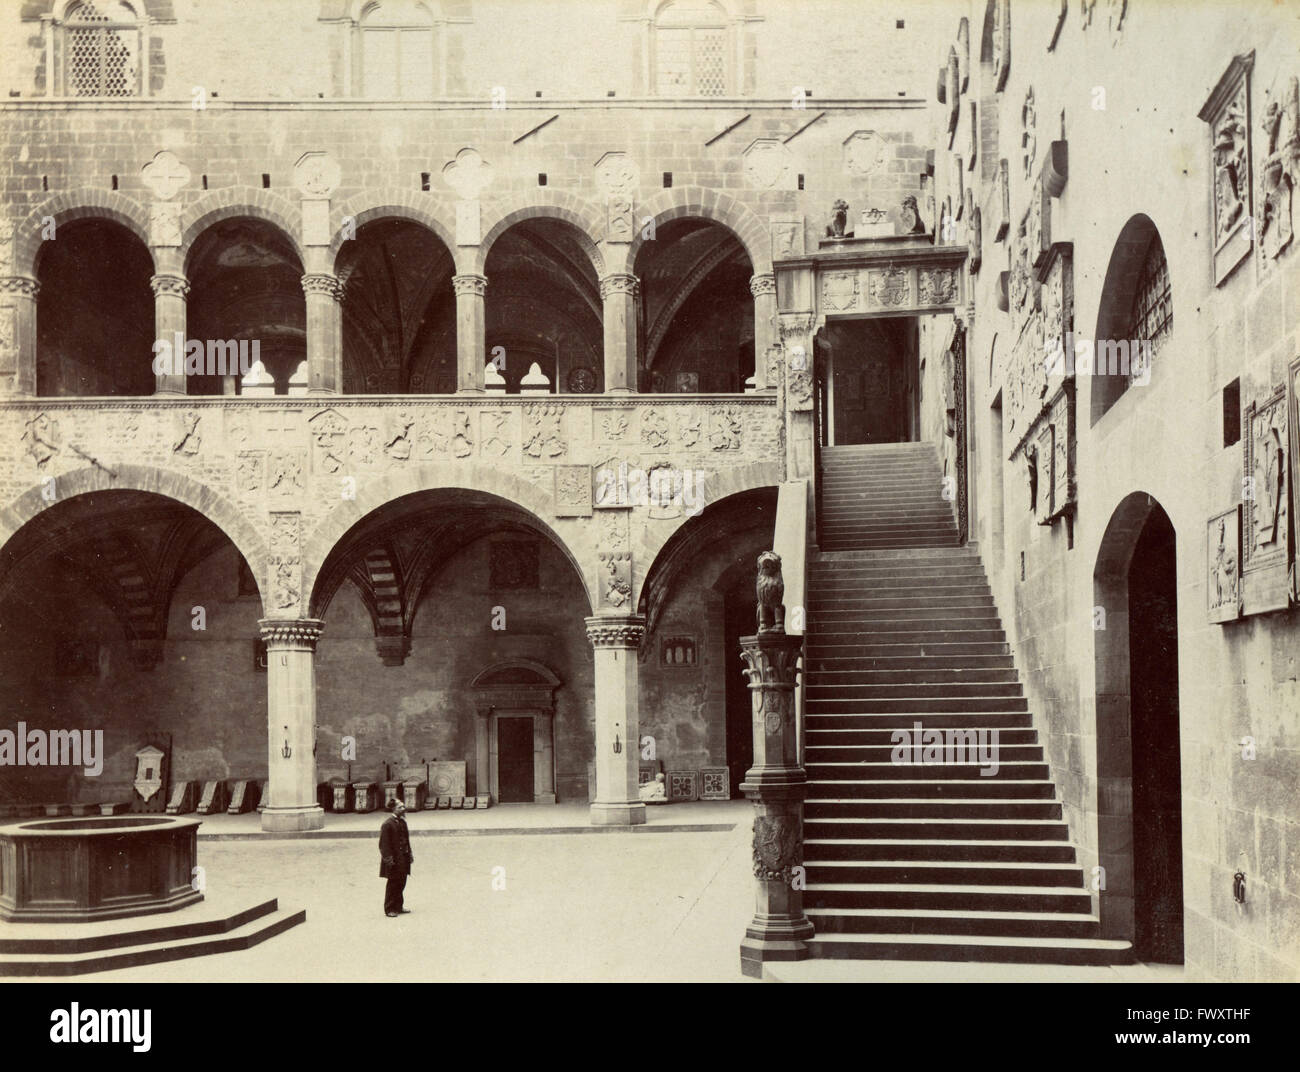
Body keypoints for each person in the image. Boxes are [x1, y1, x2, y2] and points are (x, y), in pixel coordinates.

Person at [379, 797, 414, 917]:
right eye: (400, 807)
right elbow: (384, 845)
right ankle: (389, 909)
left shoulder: (402, 822)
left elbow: (406, 840)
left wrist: (410, 854)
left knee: (402, 882)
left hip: (403, 858)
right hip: (393, 860)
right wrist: (389, 860)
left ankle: (398, 906)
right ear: (393, 809)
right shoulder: (387, 825)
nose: (403, 809)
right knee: (393, 883)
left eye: (403, 806)